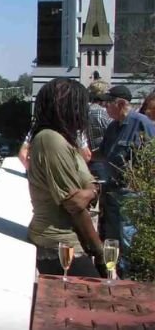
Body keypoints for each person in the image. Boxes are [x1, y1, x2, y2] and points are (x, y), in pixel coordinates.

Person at [26, 78, 105, 277]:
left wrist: (91, 190)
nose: (83, 111)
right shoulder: (50, 140)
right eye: (79, 104)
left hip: (74, 243)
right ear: (64, 107)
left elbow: (90, 184)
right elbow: (74, 204)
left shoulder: (66, 140)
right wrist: (100, 252)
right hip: (58, 249)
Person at [96, 85, 155, 276]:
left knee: (128, 239)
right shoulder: (113, 127)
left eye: (108, 104)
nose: (105, 108)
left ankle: (129, 279)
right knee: (112, 241)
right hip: (112, 193)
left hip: (132, 195)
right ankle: (112, 277)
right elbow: (103, 153)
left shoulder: (142, 124)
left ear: (121, 104)